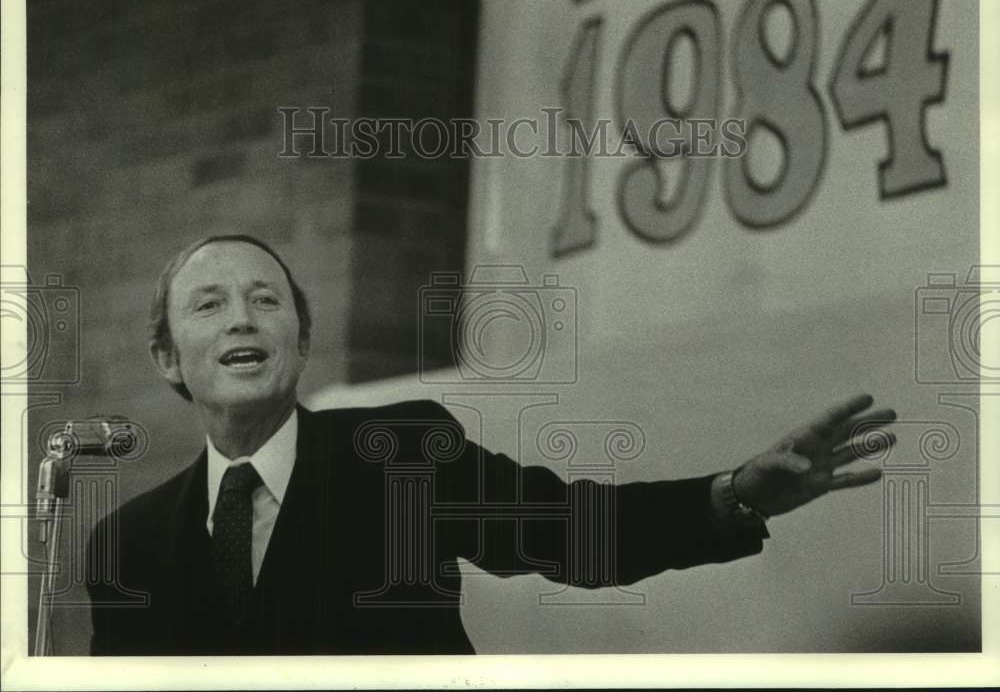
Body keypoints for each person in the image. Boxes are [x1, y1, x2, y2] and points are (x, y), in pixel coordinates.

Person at [85, 234, 897, 655]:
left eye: (266, 299)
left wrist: (737, 493)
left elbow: (572, 532)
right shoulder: (125, 544)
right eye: (210, 305)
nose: (241, 318)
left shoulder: (398, 453)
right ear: (166, 358)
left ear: (302, 338)